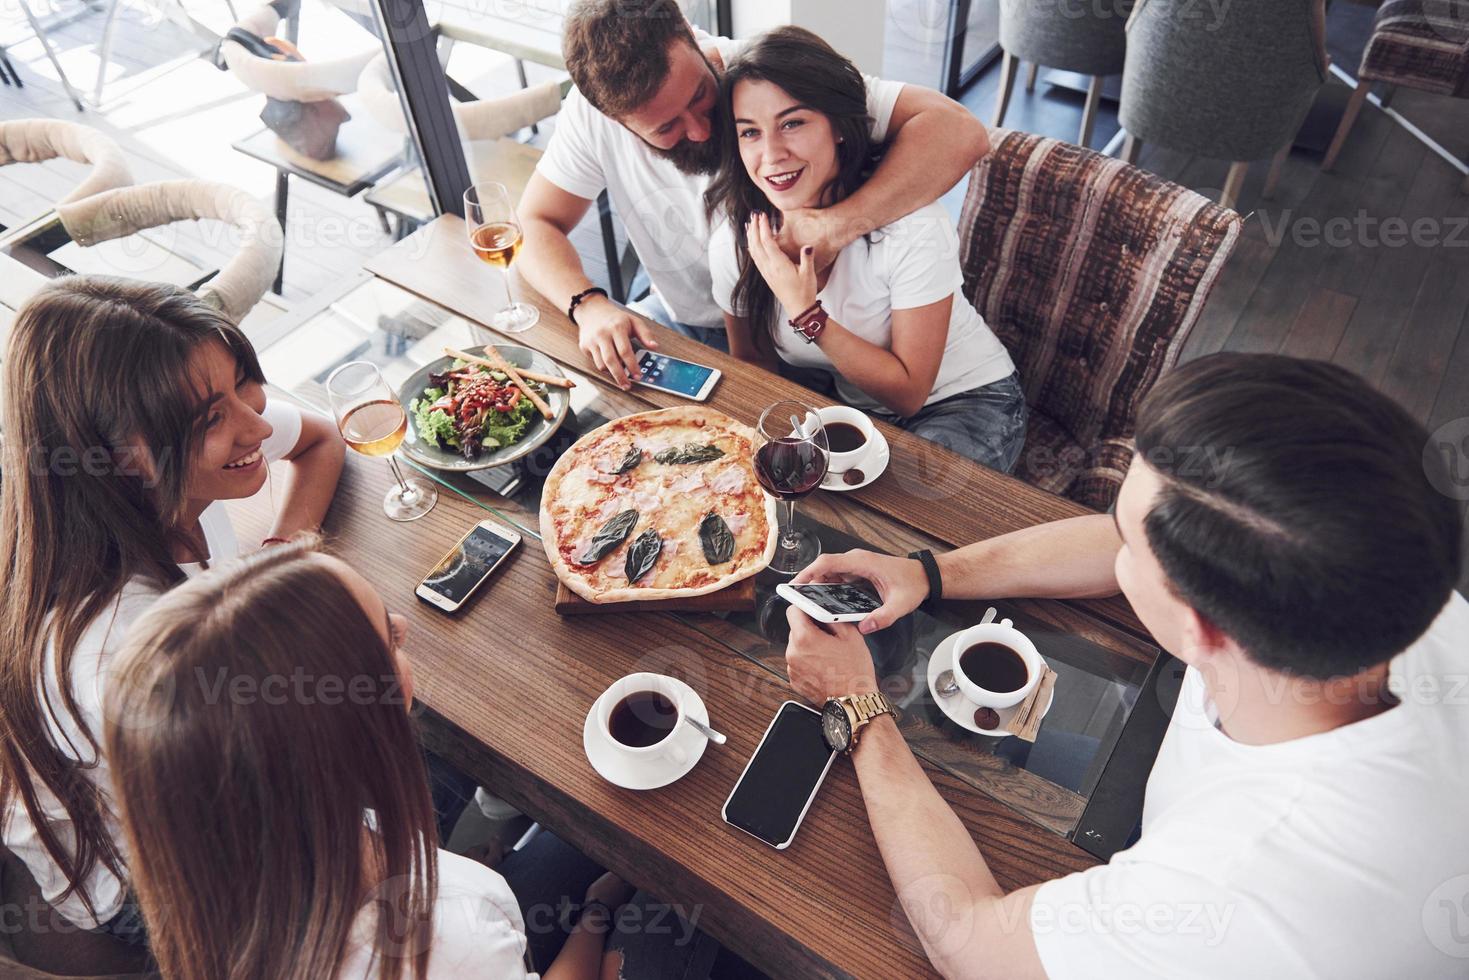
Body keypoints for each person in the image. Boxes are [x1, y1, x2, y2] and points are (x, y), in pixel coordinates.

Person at [783, 352, 1468, 978]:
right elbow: (1135, 537)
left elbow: (965, 942)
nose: (1112, 545)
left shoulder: (1232, 888)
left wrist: (854, 704)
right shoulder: (1392, 573)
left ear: (1200, 627)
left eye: (1129, 549)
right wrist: (929, 573)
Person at [104, 539, 714, 979]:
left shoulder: (216, 883)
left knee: (575, 850)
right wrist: (598, 917)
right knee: (677, 889)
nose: (403, 623)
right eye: (387, 639)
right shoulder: (446, 941)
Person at [0, 276, 345, 941]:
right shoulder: (122, 648)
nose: (256, 423)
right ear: (117, 456)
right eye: (211, 418)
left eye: (244, 381)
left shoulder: (161, 452)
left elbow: (323, 438)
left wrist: (274, 562)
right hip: (166, 882)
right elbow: (264, 811)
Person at [516, 0, 989, 390]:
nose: (701, 131)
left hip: (788, 337)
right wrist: (588, 304)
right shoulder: (589, 116)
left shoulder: (767, 79)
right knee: (582, 404)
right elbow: (535, 223)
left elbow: (961, 131)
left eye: (700, 95)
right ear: (613, 118)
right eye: (666, 127)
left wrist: (837, 225)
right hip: (682, 323)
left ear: (689, 31)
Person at [706, 28, 1026, 472]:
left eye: (792, 123)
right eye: (750, 133)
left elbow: (909, 393)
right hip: (854, 408)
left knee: (914, 511)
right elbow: (755, 369)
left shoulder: (912, 225)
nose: (772, 154)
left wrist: (806, 314)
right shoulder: (737, 237)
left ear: (838, 125)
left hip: (963, 400)